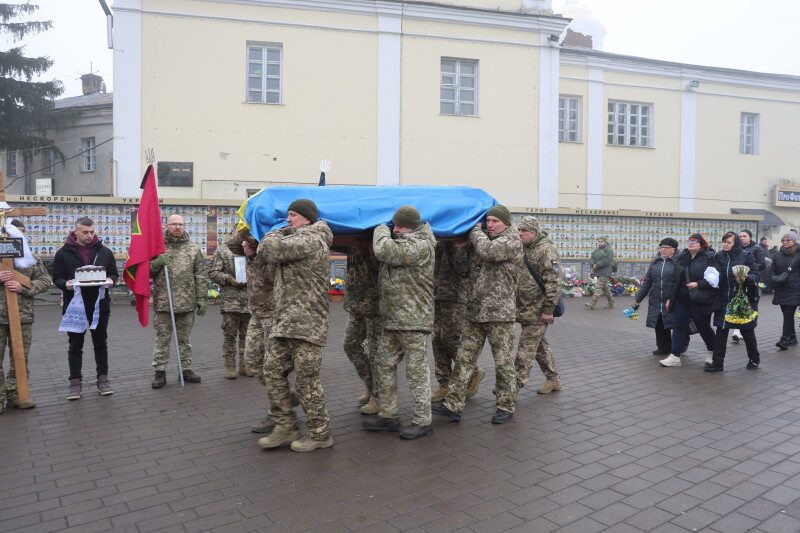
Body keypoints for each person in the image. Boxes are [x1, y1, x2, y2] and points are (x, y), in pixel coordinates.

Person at [256, 199, 334, 452]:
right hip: (285, 320)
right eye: (287, 216)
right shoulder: (296, 241)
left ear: (307, 218)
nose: (288, 220)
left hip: (306, 323)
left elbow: (268, 250)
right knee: (272, 371)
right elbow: (271, 273)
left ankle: (320, 434)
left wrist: (275, 229)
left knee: (306, 381)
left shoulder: (311, 239)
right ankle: (285, 426)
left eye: (292, 215)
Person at [433, 205, 522, 424]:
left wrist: (473, 231)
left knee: (502, 362)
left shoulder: (511, 241)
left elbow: (489, 252)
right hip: (474, 312)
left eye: (495, 221)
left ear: (506, 223)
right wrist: (461, 247)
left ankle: (505, 405)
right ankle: (453, 405)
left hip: (500, 314)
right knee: (464, 360)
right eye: (488, 221)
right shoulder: (482, 241)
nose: (490, 225)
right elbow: (463, 270)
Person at [363, 206, 436, 439]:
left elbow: (384, 249)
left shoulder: (421, 245)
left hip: (414, 321)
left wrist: (380, 227)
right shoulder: (404, 240)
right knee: (383, 363)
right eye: (393, 225)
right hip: (394, 319)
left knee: (417, 373)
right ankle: (389, 414)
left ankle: (423, 421)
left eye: (399, 226)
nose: (395, 229)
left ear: (412, 227)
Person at [52, 217, 119, 400]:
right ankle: (75, 382)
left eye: (92, 232)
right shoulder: (63, 253)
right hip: (75, 305)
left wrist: (112, 280)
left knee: (100, 342)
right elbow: (56, 277)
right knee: (75, 345)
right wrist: (64, 283)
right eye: (85, 232)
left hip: (99, 304)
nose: (90, 235)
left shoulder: (104, 252)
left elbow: (113, 273)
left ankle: (103, 379)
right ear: (76, 232)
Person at [227, 230, 281, 433]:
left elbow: (271, 275)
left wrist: (253, 255)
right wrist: (245, 226)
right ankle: (284, 398)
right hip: (257, 312)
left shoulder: (274, 242)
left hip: (273, 312)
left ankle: (276, 412)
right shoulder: (253, 237)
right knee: (252, 360)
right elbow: (231, 244)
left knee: (272, 366)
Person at [149, 214, 207, 388]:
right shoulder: (157, 248)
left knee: (184, 339)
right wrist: (157, 262)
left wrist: (202, 298)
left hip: (187, 302)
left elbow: (200, 274)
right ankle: (160, 372)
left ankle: (186, 369)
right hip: (164, 302)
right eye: (173, 224)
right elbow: (145, 272)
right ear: (166, 226)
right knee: (162, 338)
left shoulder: (193, 248)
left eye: (180, 224)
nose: (177, 227)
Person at [0, 219, 52, 412]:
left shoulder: (29, 257)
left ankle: (16, 395)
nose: (19, 235)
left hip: (22, 315)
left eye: (22, 232)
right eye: (15, 231)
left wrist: (24, 288)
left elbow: (45, 280)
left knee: (20, 357)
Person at [431, 240, 484, 403]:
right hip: (438, 294)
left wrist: (458, 246)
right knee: (436, 340)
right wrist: (440, 244)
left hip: (458, 296)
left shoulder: (470, 242)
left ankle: (473, 372)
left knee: (451, 339)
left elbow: (464, 270)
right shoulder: (441, 242)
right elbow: (433, 266)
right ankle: (444, 384)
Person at [514, 216, 562, 394]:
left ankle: (513, 386)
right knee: (540, 346)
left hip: (539, 310)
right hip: (525, 308)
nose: (520, 234)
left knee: (525, 347)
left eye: (524, 231)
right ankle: (553, 379)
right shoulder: (523, 248)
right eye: (519, 230)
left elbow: (553, 282)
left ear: (533, 232)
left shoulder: (546, 250)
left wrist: (548, 310)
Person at [336, 244, 383, 415]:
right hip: (356, 306)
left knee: (375, 353)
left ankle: (379, 397)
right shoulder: (352, 244)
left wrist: (369, 246)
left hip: (376, 307)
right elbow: (334, 241)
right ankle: (371, 386)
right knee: (350, 345)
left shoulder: (380, 242)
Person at [660, 234, 717, 367]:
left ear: (701, 243)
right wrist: (670, 298)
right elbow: (675, 280)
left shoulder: (709, 257)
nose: (690, 243)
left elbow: (714, 279)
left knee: (703, 327)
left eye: (694, 241)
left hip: (699, 298)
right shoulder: (682, 257)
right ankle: (675, 355)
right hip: (682, 298)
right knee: (679, 326)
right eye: (689, 241)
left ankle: (713, 351)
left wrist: (699, 284)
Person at [706, 232, 760, 372]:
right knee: (721, 330)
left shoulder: (746, 256)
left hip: (741, 300)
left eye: (729, 242)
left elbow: (756, 275)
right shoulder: (718, 256)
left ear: (735, 244)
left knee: (747, 330)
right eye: (724, 241)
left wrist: (747, 277)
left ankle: (754, 359)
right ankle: (717, 363)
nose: (725, 244)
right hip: (723, 299)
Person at [209, 240, 251, 379]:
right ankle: (230, 366)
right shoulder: (223, 251)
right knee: (230, 337)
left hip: (250, 303)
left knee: (248, 338)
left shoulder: (253, 250)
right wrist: (228, 279)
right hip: (230, 303)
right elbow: (213, 272)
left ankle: (245, 365)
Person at [636, 238, 681, 356]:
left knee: (677, 324)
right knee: (659, 323)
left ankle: (680, 346)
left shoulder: (679, 262)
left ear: (673, 250)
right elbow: (648, 281)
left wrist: (673, 297)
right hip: (656, 298)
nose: (663, 250)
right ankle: (663, 347)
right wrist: (639, 297)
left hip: (672, 298)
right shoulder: (655, 261)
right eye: (661, 247)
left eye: (666, 248)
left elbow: (679, 281)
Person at [731, 229, 766, 343]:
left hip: (751, 282)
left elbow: (762, 264)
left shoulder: (757, 248)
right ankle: (737, 331)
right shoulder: (736, 249)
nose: (742, 238)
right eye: (740, 236)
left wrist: (748, 269)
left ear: (750, 237)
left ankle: (746, 329)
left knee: (749, 305)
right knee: (737, 303)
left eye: (744, 236)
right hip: (737, 281)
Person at [768, 232, 800, 350]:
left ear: (794, 241)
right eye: (783, 240)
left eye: (788, 240)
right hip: (781, 288)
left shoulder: (798, 254)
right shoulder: (778, 255)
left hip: (795, 289)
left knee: (788, 314)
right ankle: (792, 337)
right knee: (787, 315)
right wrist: (772, 278)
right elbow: (772, 270)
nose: (785, 242)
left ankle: (784, 338)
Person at [585, 236, 615, 309]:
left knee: (598, 287)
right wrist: (593, 264)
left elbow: (607, 260)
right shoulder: (596, 250)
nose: (600, 243)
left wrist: (597, 265)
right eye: (599, 241)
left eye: (601, 241)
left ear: (605, 242)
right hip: (598, 271)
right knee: (606, 288)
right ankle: (611, 302)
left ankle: (593, 303)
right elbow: (592, 258)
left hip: (605, 272)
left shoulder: (609, 250)